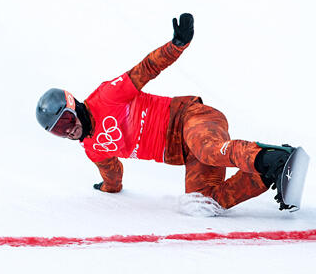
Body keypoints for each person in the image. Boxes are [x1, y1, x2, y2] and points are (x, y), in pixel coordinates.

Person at [36, 13, 295, 212]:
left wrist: (177, 45)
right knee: (202, 205)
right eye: (59, 131)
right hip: (184, 153)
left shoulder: (107, 96)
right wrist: (107, 188)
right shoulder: (93, 149)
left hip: (190, 118)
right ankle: (266, 173)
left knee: (207, 148)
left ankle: (273, 156)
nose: (68, 130)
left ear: (74, 105)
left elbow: (146, 68)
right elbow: (112, 175)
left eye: (66, 120)